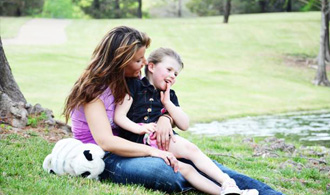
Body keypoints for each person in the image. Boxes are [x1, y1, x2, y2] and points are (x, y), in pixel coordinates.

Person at [63, 25, 283, 195]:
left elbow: (153, 104)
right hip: (106, 156)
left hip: (135, 144)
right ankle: (211, 186)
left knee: (197, 159)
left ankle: (262, 192)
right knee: (167, 172)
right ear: (120, 60)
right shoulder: (93, 92)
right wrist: (154, 151)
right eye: (138, 60)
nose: (143, 64)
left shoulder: (130, 80)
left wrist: (165, 118)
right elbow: (107, 142)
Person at [114, 47, 257, 195]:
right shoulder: (134, 86)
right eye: (169, 69)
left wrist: (168, 103)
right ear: (151, 67)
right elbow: (119, 117)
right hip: (140, 140)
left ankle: (228, 191)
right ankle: (227, 181)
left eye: (176, 73)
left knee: (189, 164)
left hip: (161, 140)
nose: (172, 75)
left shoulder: (169, 95)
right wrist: (139, 129)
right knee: (189, 156)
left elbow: (184, 124)